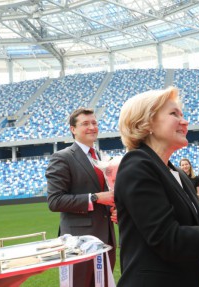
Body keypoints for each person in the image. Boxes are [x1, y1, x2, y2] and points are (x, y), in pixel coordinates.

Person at [114, 86, 199, 287]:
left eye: (182, 114)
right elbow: (169, 240)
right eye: (174, 114)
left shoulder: (177, 174)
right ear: (146, 122)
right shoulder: (136, 165)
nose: (184, 121)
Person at [46, 107, 116, 287]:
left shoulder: (100, 157)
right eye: (85, 123)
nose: (92, 127)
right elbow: (55, 201)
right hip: (79, 241)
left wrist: (113, 209)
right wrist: (95, 198)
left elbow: (105, 195)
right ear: (73, 129)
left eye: (94, 123)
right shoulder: (62, 157)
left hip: (106, 237)